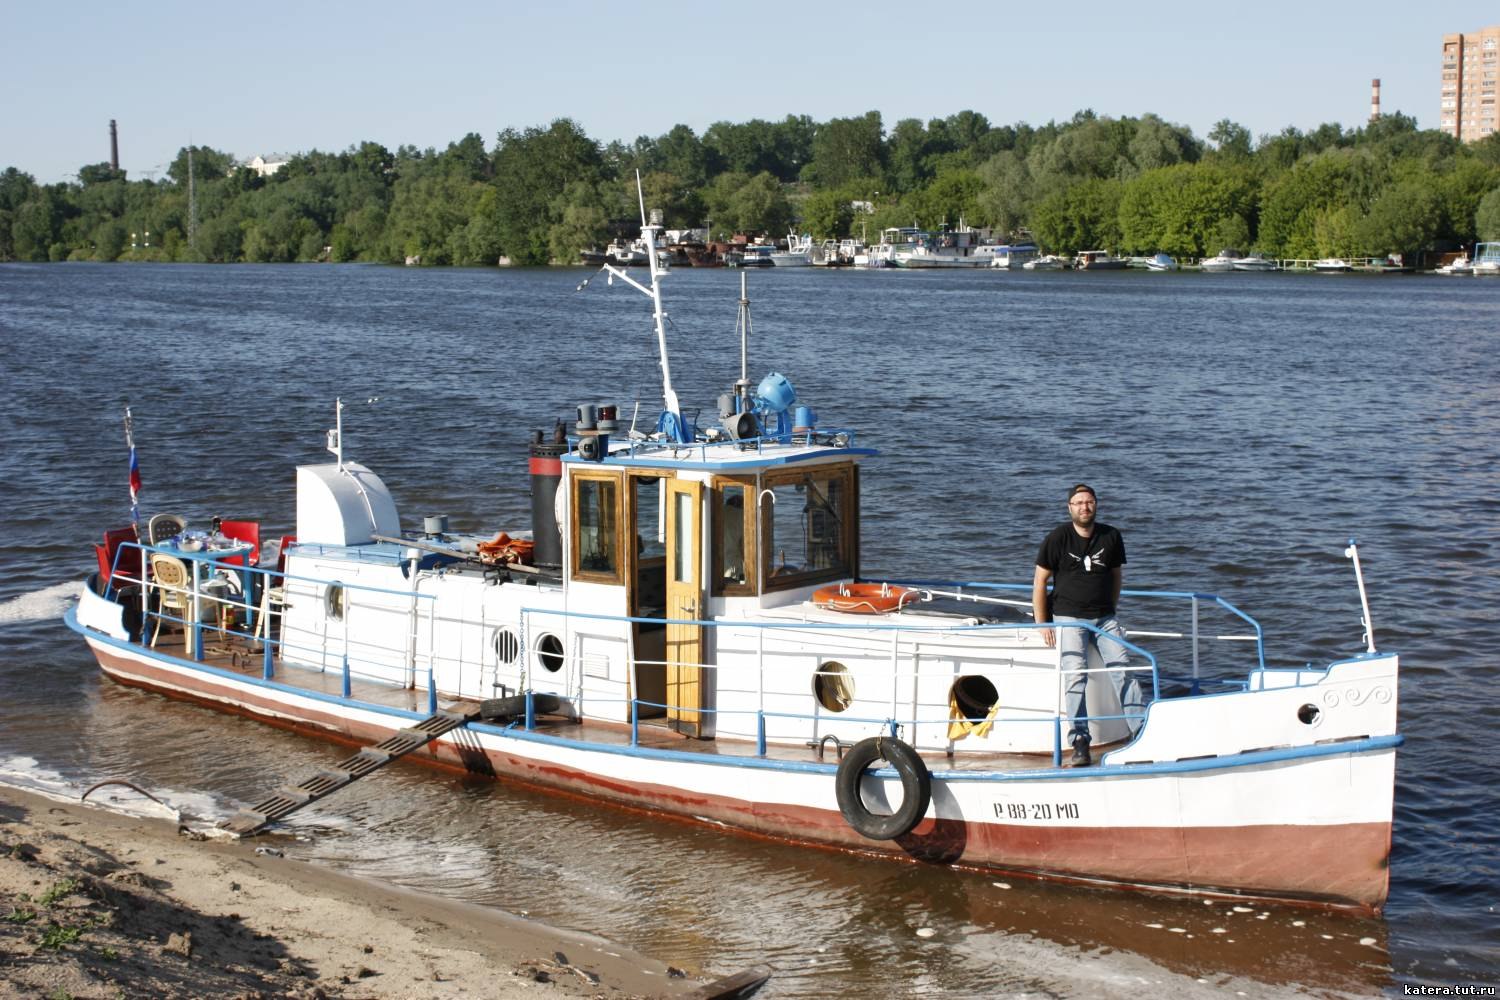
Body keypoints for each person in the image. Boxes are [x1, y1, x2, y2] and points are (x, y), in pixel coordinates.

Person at [1032, 483, 1143, 766]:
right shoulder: (1058, 538)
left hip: (1105, 618)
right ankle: (1079, 739)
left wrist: (1112, 610)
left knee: (1123, 669)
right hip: (1069, 617)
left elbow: (1116, 576)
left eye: (1089, 502)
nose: (1085, 507)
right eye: (1079, 502)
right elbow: (1040, 581)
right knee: (1075, 675)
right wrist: (1042, 623)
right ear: (1070, 507)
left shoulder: (1111, 536)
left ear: (1096, 505)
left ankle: (1141, 731)